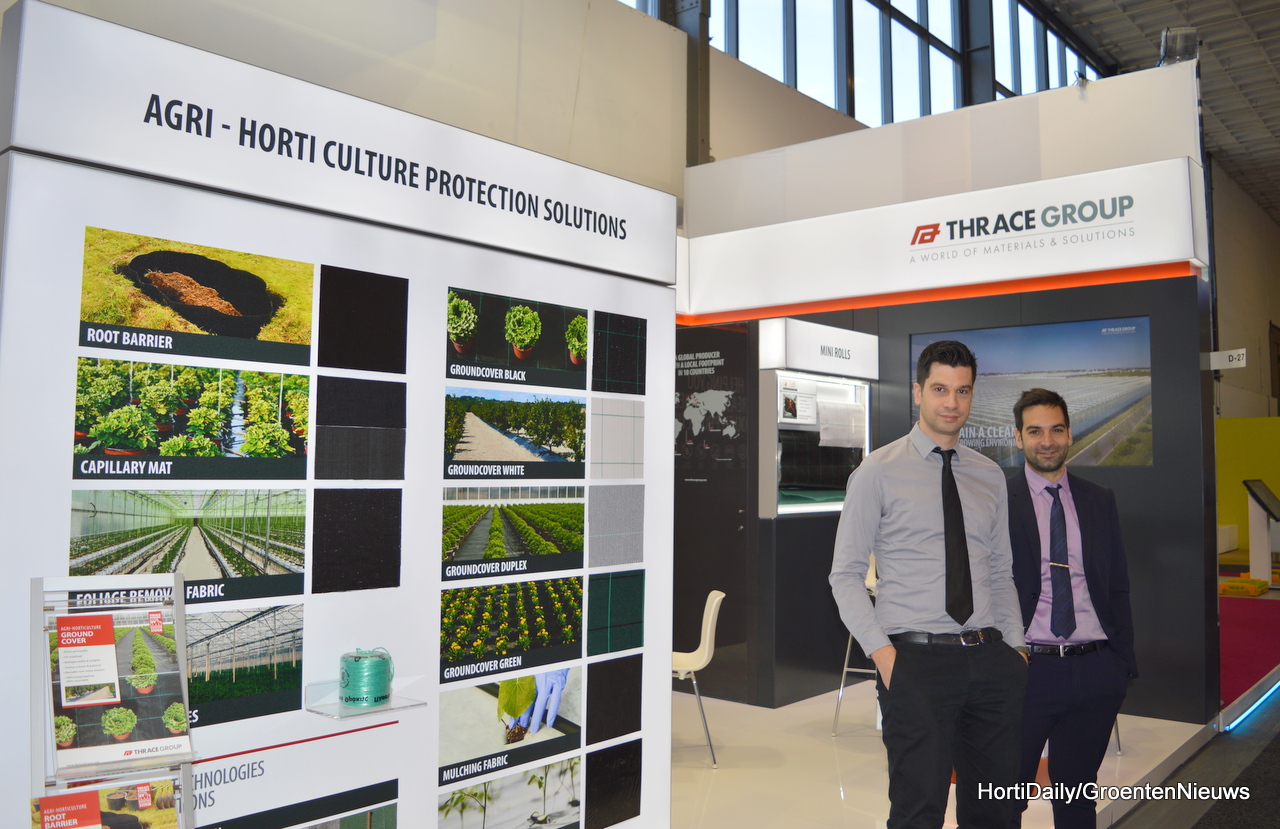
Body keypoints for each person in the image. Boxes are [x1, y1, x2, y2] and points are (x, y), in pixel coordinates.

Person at [831, 340, 1028, 829]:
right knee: (918, 814)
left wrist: (1016, 650)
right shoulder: (877, 471)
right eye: (940, 389)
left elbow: (1000, 571)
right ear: (918, 392)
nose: (951, 402)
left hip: (990, 658)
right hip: (915, 662)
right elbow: (845, 575)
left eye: (962, 391)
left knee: (996, 812)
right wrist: (885, 656)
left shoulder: (989, 475)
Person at [1007, 388, 1136, 829]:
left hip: (1096, 669)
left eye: (1056, 430)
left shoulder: (1099, 499)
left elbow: (1117, 585)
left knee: (1077, 801)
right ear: (1018, 437)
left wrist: (1121, 663)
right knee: (1004, 800)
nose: (1047, 441)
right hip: (1027, 669)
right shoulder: (996, 500)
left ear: (1070, 434)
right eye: (1035, 431)